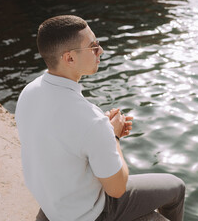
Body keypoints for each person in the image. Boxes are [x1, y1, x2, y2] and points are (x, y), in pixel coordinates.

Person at [15, 15, 185, 221]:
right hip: (88, 213)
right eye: (93, 46)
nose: (101, 51)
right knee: (176, 187)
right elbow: (117, 189)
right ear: (69, 58)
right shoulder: (92, 121)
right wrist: (112, 137)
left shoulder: (29, 92)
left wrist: (101, 133)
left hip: (53, 205)